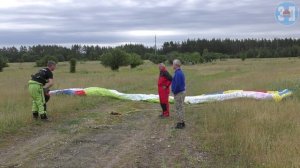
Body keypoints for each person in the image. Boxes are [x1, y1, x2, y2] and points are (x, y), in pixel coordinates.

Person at [171, 59, 186, 129]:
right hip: (180, 92)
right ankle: (182, 122)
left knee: (178, 108)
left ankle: (180, 123)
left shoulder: (178, 73)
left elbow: (178, 85)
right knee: (181, 107)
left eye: (173, 64)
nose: (172, 65)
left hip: (179, 93)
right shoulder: (179, 72)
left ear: (176, 65)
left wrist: (174, 91)